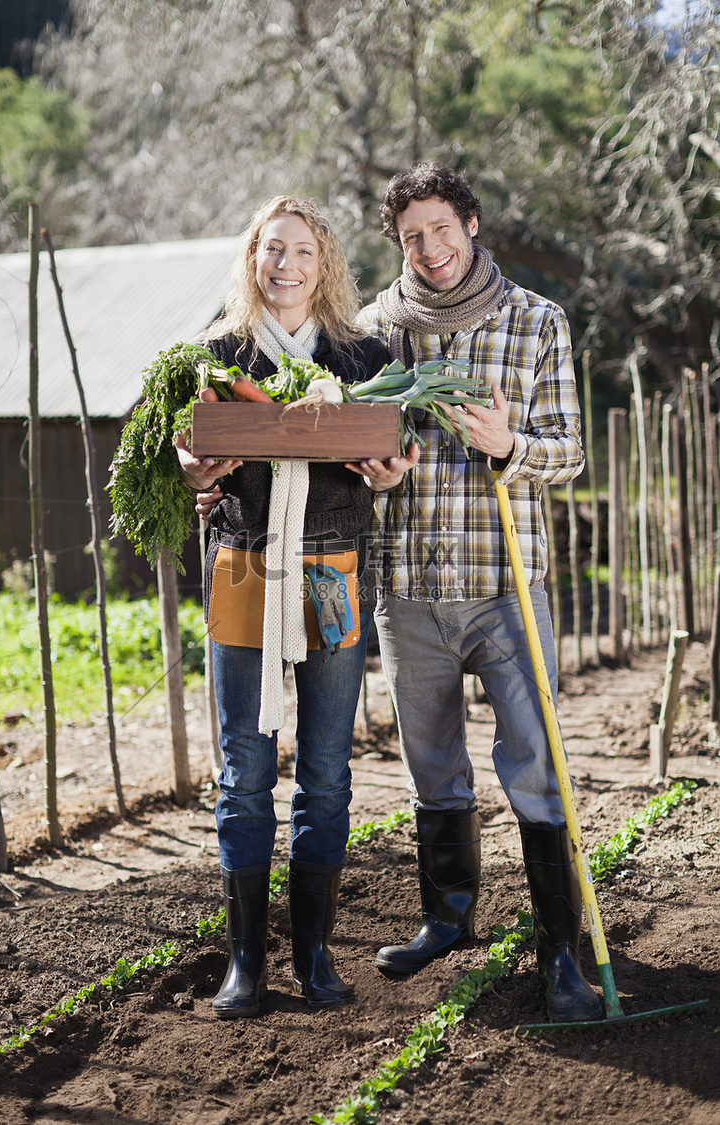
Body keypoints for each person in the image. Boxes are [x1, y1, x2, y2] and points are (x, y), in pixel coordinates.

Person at [345, 162, 603, 1024]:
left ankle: (560, 949)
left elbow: (569, 451)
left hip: (505, 585)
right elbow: (358, 444)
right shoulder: (378, 329)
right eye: (412, 236)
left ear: (473, 223)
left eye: (441, 229)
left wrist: (506, 444)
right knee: (432, 766)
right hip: (410, 588)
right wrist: (376, 475)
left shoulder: (536, 321)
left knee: (536, 764)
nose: (431, 249)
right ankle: (446, 917)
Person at [176, 196, 389, 1019]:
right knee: (245, 772)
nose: (286, 264)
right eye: (271, 250)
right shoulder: (216, 355)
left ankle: (314, 953)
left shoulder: (362, 356)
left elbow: (384, 453)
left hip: (332, 567)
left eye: (301, 249)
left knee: (328, 772)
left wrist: (387, 473)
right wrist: (195, 476)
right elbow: (189, 462)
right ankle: (245, 962)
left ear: (325, 261)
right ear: (253, 260)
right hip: (242, 567)